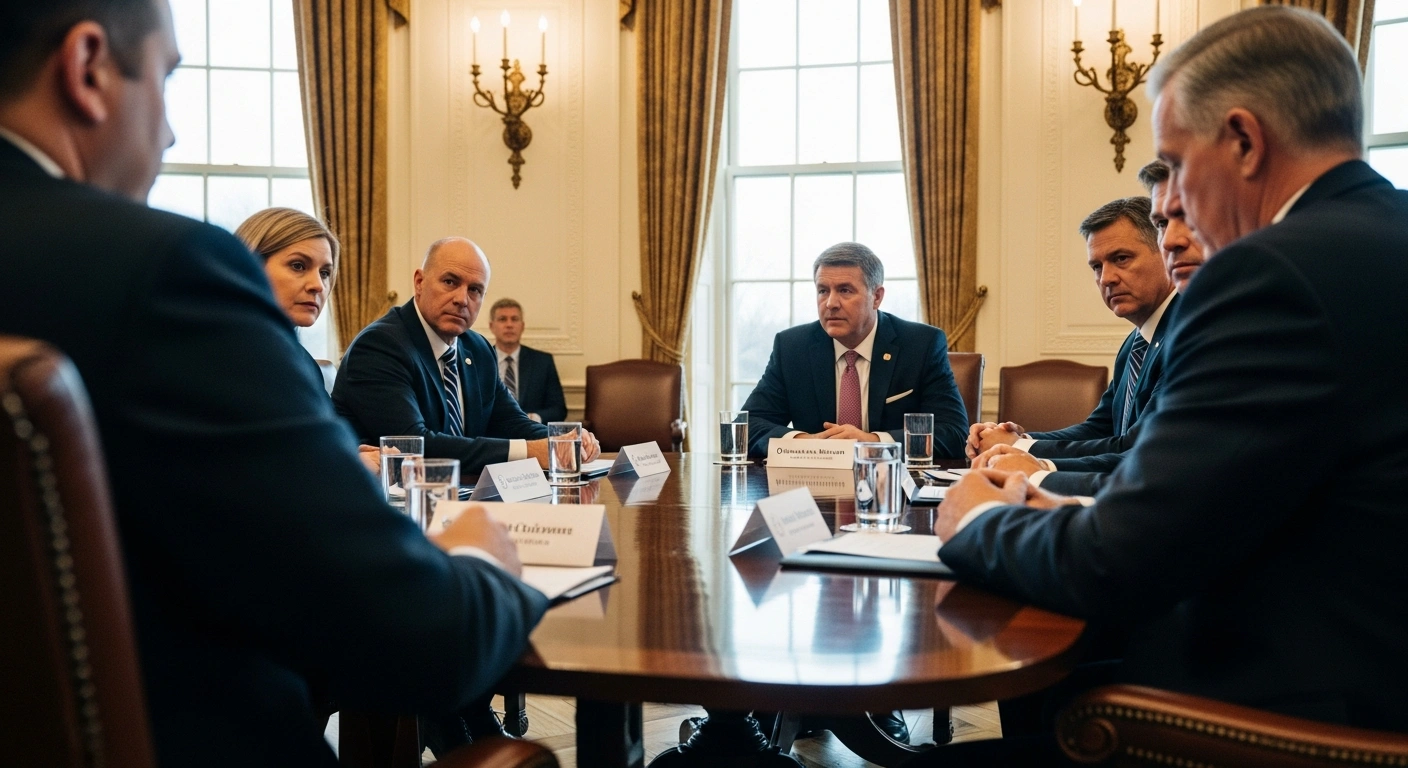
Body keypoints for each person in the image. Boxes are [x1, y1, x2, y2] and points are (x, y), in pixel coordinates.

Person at [0, 3, 548, 766]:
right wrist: (487, 560)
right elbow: (414, 636)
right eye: (165, 79)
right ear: (88, 68)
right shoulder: (170, 276)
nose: (168, 133)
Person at [932, 8, 1408, 762]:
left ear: (1245, 142)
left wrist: (971, 521)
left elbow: (1114, 563)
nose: (1174, 207)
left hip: (1276, 721)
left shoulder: (1270, 274)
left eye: (1178, 164)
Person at [333, 238, 600, 475]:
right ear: (419, 282)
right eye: (450, 282)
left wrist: (565, 440)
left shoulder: (477, 347)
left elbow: (510, 421)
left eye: (475, 290)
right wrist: (531, 451)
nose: (462, 299)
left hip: (465, 495)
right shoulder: (381, 345)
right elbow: (414, 445)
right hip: (392, 507)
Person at [966, 198, 1177, 471]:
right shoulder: (1135, 344)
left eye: (1121, 259)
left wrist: (1020, 451)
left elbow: (1134, 446)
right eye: (1097, 267)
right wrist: (1017, 441)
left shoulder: (1184, 332)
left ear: (1164, 252)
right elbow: (1099, 428)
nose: (1106, 279)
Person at [740, 242, 969, 459]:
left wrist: (872, 442)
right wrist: (805, 442)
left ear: (876, 297)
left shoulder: (921, 345)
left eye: (845, 290)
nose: (830, 303)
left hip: (892, 489)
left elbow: (954, 434)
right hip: (814, 489)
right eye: (822, 291)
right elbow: (748, 426)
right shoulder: (792, 347)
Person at [232, 207, 380, 475]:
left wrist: (347, 451)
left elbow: (300, 443)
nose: (318, 285)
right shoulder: (224, 355)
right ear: (249, 265)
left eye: (325, 273)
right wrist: (339, 462)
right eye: (298, 266)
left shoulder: (301, 361)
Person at [488, 298, 568, 423]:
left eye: (514, 319)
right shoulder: (480, 360)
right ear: (492, 326)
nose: (509, 325)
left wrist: (534, 418)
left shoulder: (543, 362)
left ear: (522, 326)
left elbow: (558, 410)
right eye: (502, 319)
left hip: (532, 434)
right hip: (492, 436)